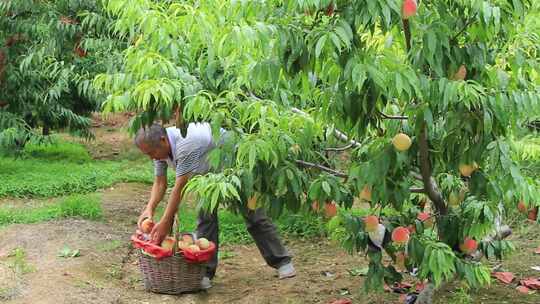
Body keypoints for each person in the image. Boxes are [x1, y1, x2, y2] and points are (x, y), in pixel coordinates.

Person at [134, 122, 296, 289]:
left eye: (152, 153)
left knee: (254, 215)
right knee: (205, 220)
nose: (152, 158)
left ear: (163, 140)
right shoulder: (159, 148)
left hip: (235, 167)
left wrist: (166, 222)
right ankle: (205, 273)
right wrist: (149, 209)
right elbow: (160, 182)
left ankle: (282, 261)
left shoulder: (186, 142)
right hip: (206, 175)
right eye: (148, 154)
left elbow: (180, 187)